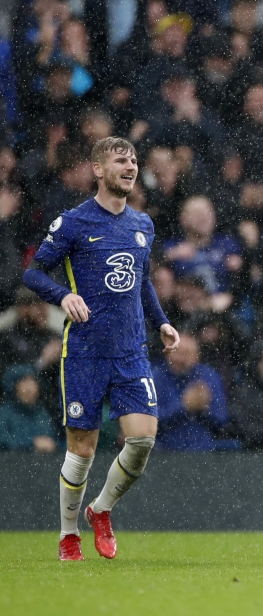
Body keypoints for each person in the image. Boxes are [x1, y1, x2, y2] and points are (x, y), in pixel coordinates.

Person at [22, 136, 180, 561]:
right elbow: (33, 273)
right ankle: (68, 534)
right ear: (97, 170)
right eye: (119, 160)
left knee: (143, 441)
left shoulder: (142, 224)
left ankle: (101, 509)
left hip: (131, 350)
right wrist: (62, 296)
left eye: (133, 160)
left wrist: (162, 321)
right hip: (87, 352)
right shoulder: (73, 223)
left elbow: (143, 281)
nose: (130, 166)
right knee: (83, 449)